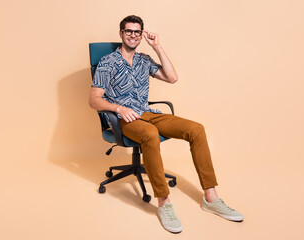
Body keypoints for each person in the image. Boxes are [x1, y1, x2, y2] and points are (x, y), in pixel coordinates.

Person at [89, 15, 243, 233]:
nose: (133, 35)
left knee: (196, 129)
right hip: (125, 119)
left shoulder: (143, 60)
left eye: (137, 32)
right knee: (150, 134)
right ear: (121, 33)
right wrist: (119, 108)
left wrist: (158, 47)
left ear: (141, 35)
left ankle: (211, 197)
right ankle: (164, 203)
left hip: (148, 112)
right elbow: (94, 99)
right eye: (128, 31)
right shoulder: (108, 62)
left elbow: (172, 78)